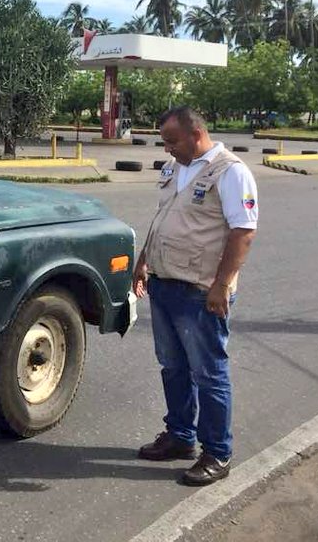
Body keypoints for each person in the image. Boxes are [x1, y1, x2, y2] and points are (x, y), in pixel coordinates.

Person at [132, 105, 258, 486]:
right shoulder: (173, 167)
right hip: (164, 282)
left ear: (195, 135)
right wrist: (143, 262)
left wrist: (222, 284)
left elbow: (243, 231)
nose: (166, 148)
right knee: (172, 367)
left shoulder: (231, 171)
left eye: (171, 140)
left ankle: (218, 452)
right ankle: (180, 436)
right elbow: (162, 218)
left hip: (201, 292)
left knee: (209, 374)